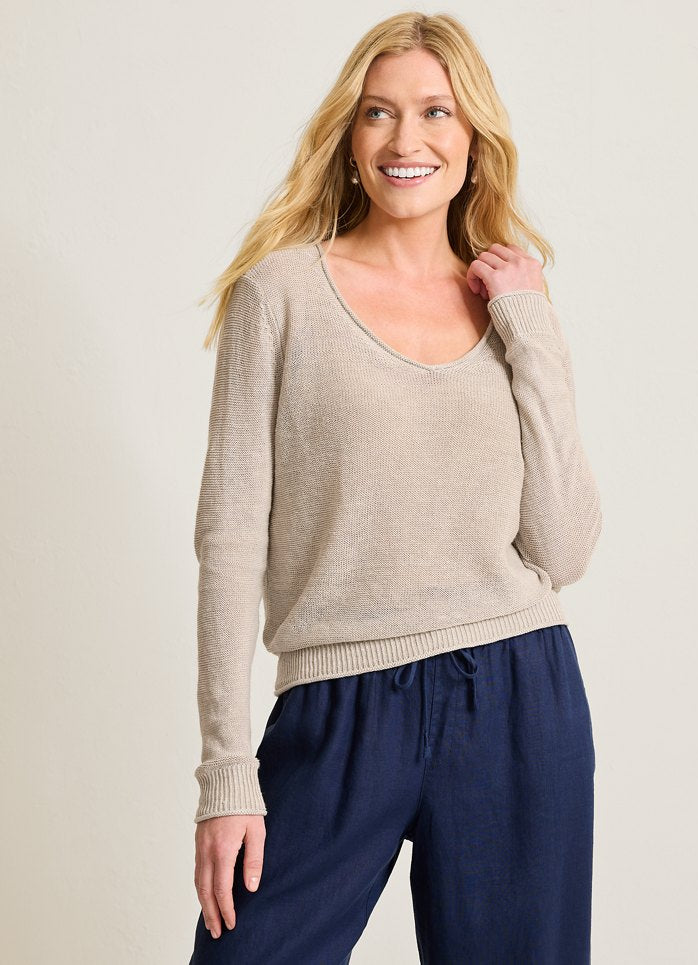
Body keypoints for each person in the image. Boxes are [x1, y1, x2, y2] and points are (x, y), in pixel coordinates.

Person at [189, 11, 602, 964]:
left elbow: (564, 548)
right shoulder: (279, 295)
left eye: (435, 112)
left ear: (474, 139)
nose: (405, 139)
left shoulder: (513, 308)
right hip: (337, 707)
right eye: (378, 112)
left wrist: (533, 329)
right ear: (349, 135)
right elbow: (230, 539)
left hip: (516, 691)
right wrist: (226, 771)